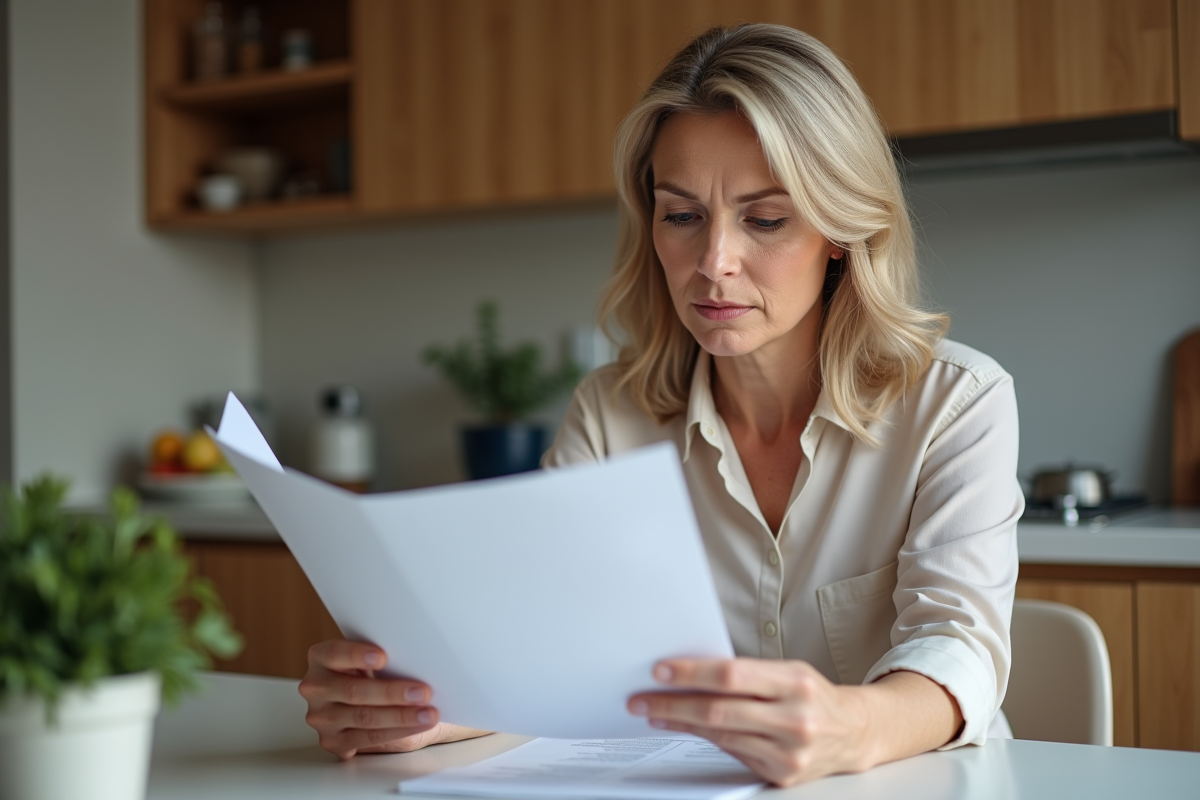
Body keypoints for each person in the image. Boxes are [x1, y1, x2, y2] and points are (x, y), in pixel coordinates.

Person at [298, 23, 1022, 787]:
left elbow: (959, 647)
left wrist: (852, 728)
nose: (714, 263)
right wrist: (425, 707)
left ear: (840, 228)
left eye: (766, 219)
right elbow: (554, 647)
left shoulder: (956, 404)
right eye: (681, 216)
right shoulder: (611, 414)